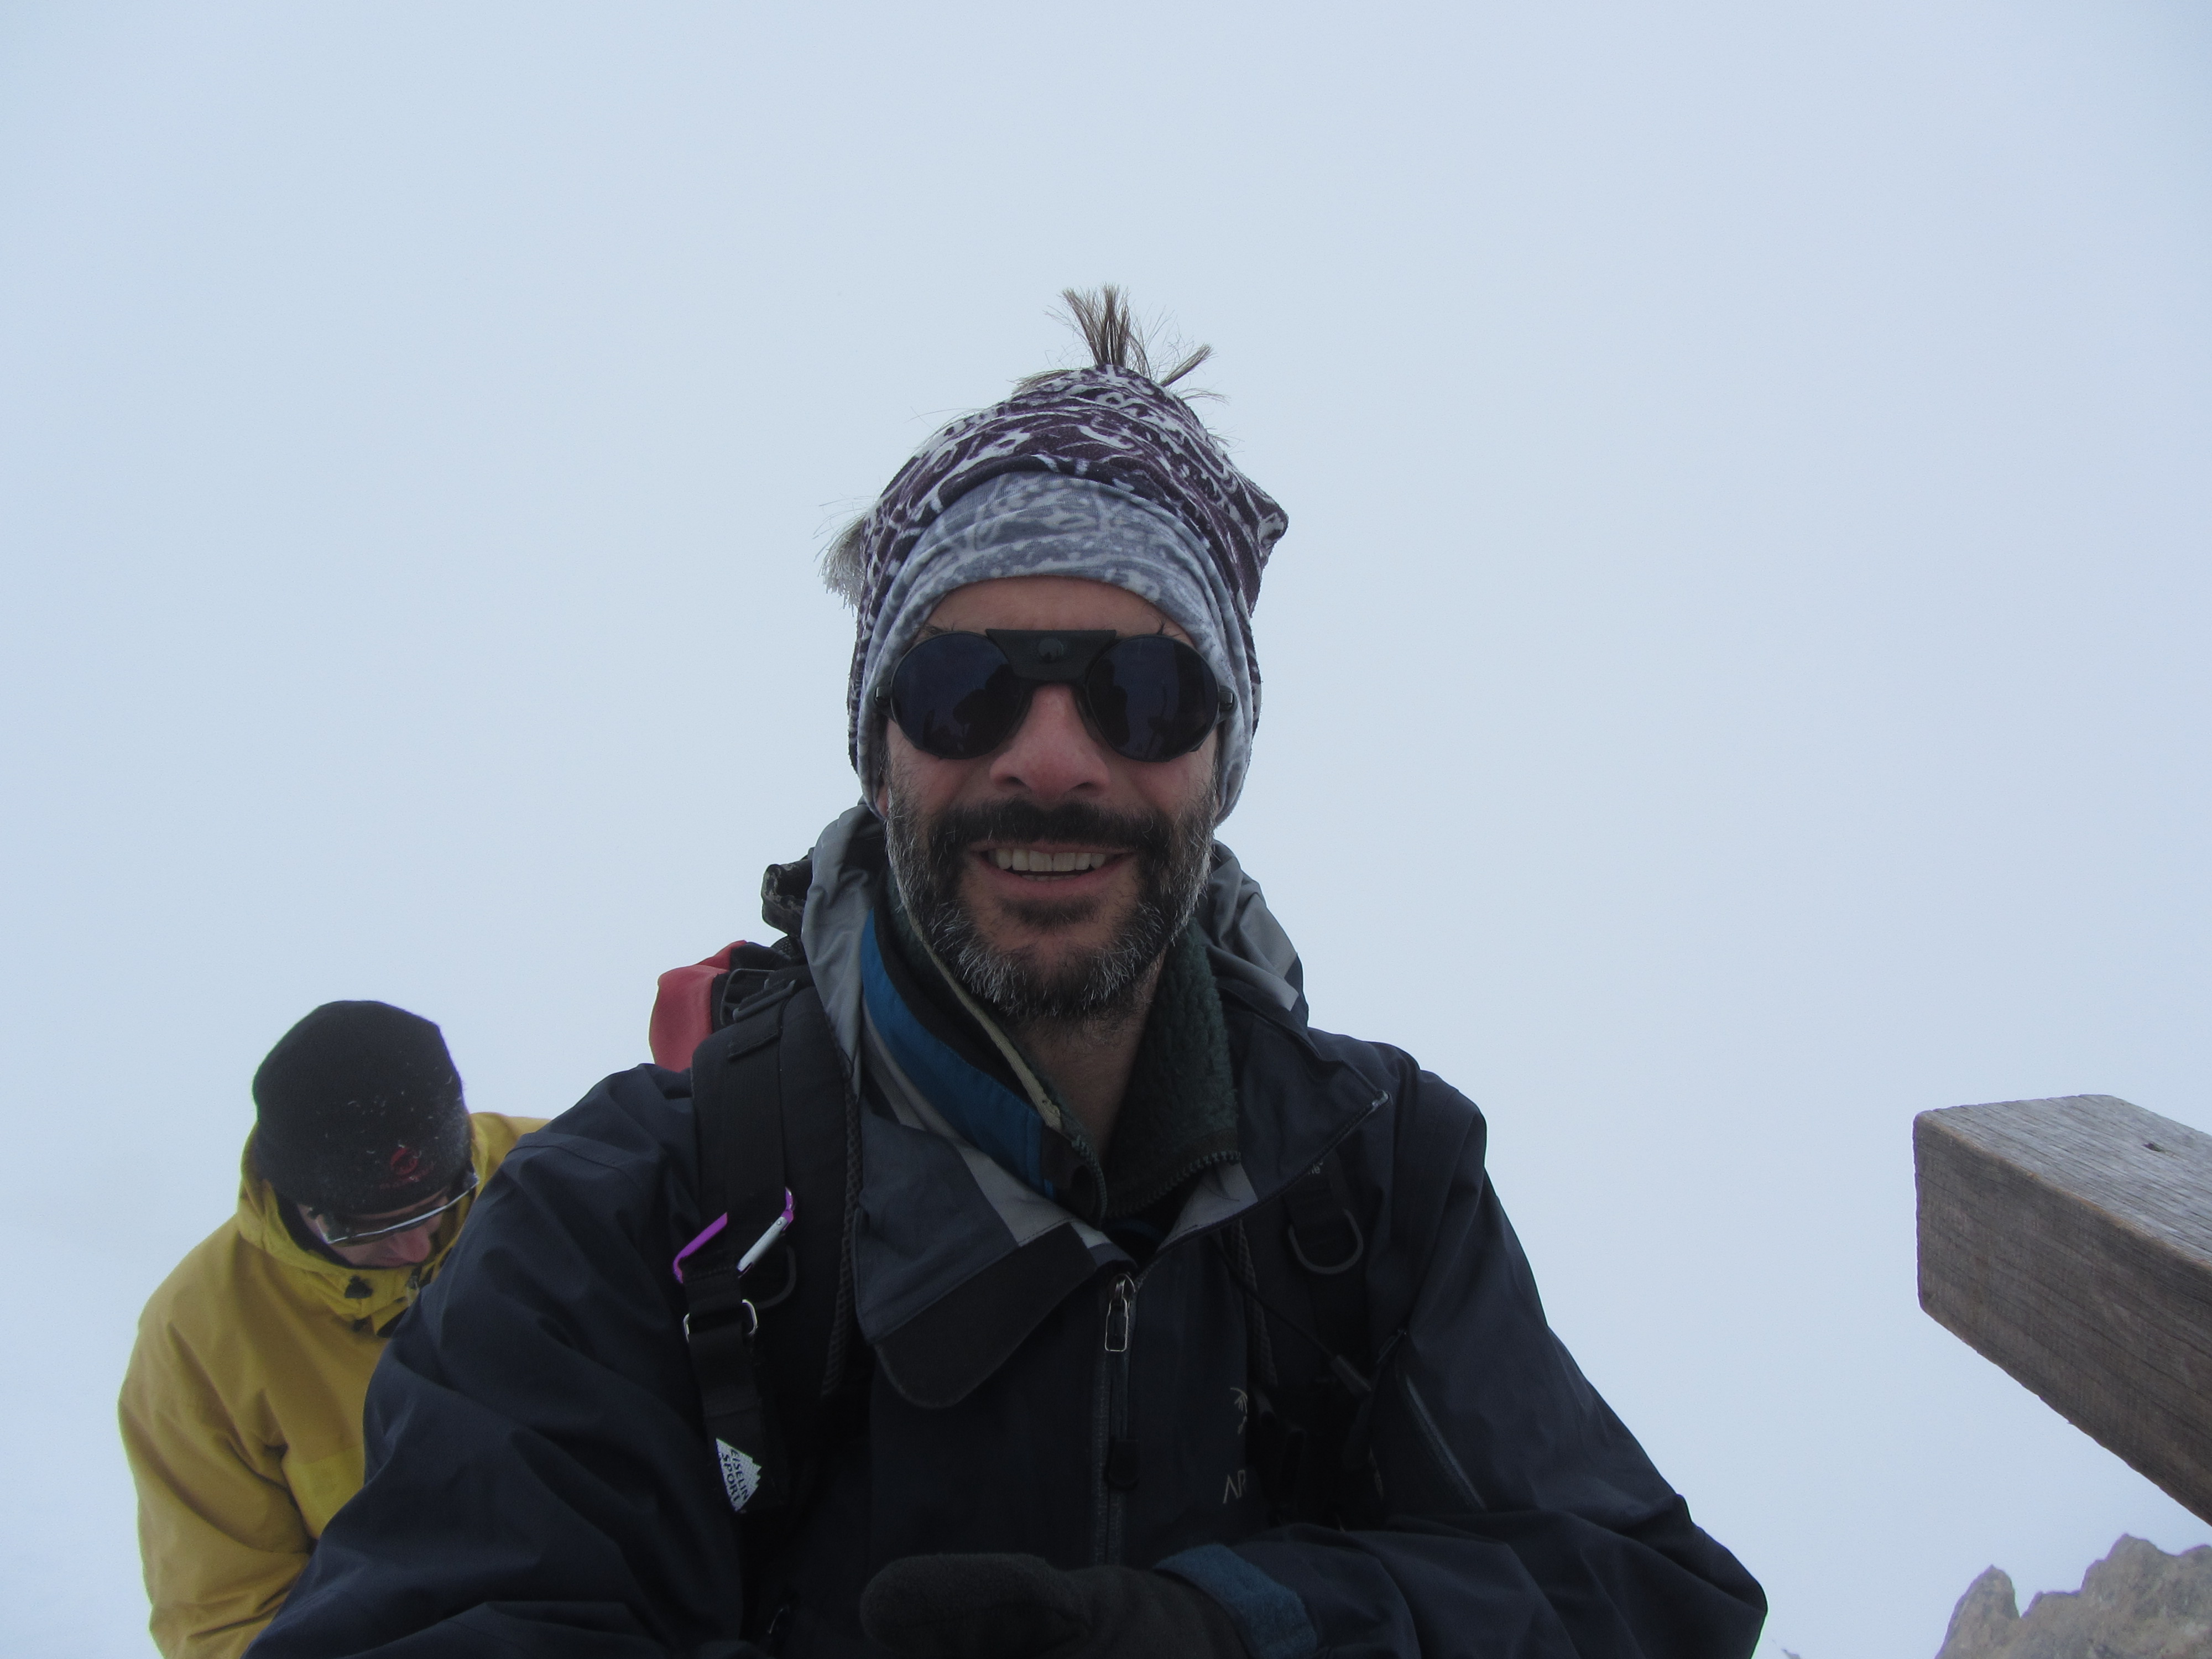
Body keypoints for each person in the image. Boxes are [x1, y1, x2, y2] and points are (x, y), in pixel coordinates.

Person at [253, 291, 1766, 1658]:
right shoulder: (616, 1223)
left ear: (1221, 759)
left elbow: (1644, 1601)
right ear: (879, 751)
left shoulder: (1381, 1182)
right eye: (964, 686)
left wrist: (1239, 1628)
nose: (1051, 757)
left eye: (1145, 692)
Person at [118, 1000, 543, 1659]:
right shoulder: (199, 1340)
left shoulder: (565, 1179)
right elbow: (225, 1615)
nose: (415, 1246)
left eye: (439, 1203)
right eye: (367, 1228)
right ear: (292, 1198)